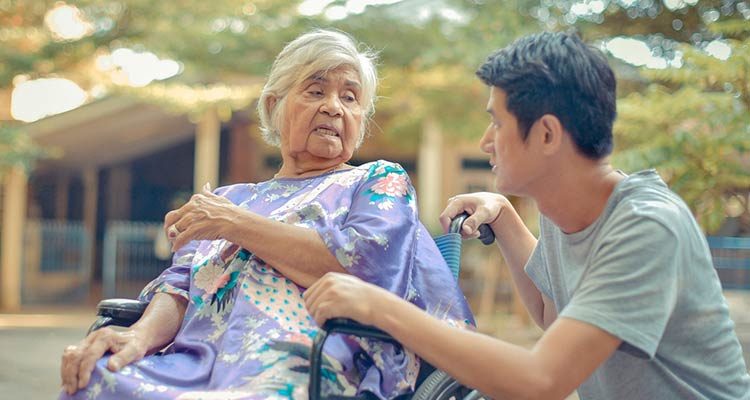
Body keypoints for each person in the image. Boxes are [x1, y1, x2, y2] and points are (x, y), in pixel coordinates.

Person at [305, 31, 750, 399]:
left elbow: (543, 380)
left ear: (547, 134)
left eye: (496, 122)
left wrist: (380, 308)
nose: (486, 140)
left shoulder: (648, 227)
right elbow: (551, 315)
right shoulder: (566, 208)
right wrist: (506, 220)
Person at [59, 29, 474, 400]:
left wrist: (234, 224)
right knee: (96, 377)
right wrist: (137, 337)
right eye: (315, 91)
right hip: (201, 359)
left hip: (307, 358)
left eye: (349, 97)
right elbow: (182, 285)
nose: (334, 107)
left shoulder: (377, 181)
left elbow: (363, 270)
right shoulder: (231, 198)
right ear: (275, 106)